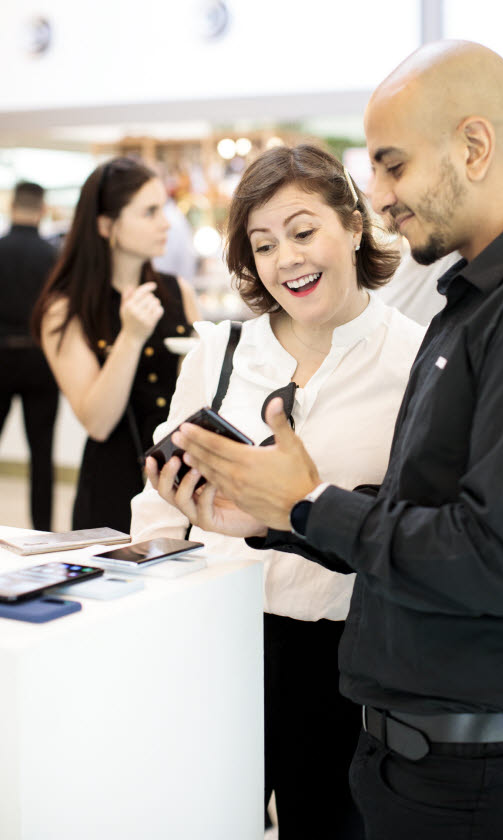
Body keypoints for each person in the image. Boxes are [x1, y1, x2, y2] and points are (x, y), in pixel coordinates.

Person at [169, 41, 503, 840]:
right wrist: (278, 515)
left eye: (392, 167)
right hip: (419, 760)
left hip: (484, 778)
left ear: (472, 145)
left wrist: (305, 502)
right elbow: (418, 518)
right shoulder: (476, 305)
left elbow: (494, 561)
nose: (382, 198)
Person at [135, 143, 425, 839]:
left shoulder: (414, 359)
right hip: (214, 632)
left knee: (326, 822)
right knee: (205, 817)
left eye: (303, 232)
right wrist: (167, 508)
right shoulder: (222, 351)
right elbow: (156, 509)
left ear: (354, 225)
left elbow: (410, 525)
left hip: (341, 653)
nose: (286, 259)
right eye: (264, 245)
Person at [32, 157, 198, 534]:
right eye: (150, 212)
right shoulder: (65, 310)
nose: (165, 223)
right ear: (107, 225)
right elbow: (98, 421)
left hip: (182, 483)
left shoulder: (176, 292)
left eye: (164, 209)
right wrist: (132, 337)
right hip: (113, 485)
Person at [0, 181, 59, 530]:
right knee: (42, 454)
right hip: (41, 361)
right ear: (42, 210)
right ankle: (42, 531)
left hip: (0, 360)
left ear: (11, 206)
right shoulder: (52, 256)